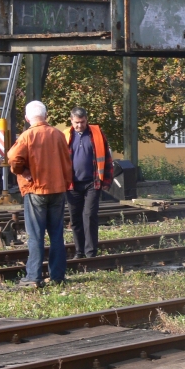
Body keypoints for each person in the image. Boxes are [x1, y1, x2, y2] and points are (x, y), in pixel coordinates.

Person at [7, 100, 71, 287]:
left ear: (27, 118)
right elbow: (67, 162)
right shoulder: (59, 135)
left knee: (36, 235)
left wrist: (23, 172)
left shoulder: (27, 136)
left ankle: (34, 276)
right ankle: (57, 275)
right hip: (58, 189)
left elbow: (13, 158)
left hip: (36, 190)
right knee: (57, 233)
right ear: (46, 115)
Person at [63, 106, 113, 259]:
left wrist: (107, 180)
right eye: (77, 122)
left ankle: (91, 252)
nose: (80, 125)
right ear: (71, 121)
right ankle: (79, 251)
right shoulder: (65, 135)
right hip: (72, 185)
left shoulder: (96, 134)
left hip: (93, 182)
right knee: (76, 219)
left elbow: (107, 157)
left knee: (90, 216)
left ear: (87, 120)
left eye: (82, 122)